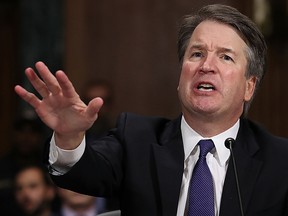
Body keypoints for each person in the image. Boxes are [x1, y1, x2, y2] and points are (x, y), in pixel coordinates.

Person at [14, 4, 288, 216]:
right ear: (181, 77)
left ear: (249, 86)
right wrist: (69, 137)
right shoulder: (137, 139)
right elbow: (84, 173)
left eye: (225, 57)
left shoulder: (280, 161)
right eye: (196, 54)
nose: (206, 65)